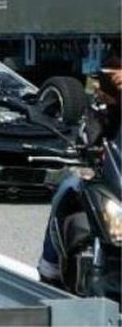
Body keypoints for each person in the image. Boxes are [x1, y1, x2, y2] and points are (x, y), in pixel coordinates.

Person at [37, 63, 122, 286]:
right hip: (106, 178)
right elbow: (88, 137)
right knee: (67, 187)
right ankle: (49, 265)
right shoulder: (100, 110)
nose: (98, 88)